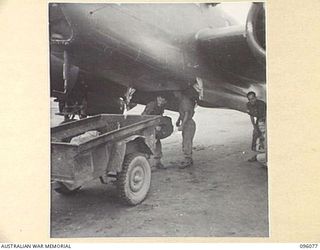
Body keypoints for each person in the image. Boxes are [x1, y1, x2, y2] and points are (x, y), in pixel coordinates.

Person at [142, 95, 167, 169]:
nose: (161, 102)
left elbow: (159, 116)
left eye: (163, 100)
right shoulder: (151, 105)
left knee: (157, 144)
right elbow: (145, 117)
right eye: (160, 99)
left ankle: (157, 162)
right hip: (147, 127)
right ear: (157, 98)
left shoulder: (161, 106)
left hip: (155, 127)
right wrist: (154, 126)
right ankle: (147, 166)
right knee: (149, 145)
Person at [174, 91, 196, 168]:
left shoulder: (185, 101)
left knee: (187, 142)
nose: (174, 94)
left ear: (180, 92)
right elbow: (182, 113)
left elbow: (186, 113)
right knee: (185, 141)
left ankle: (188, 160)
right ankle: (188, 159)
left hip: (188, 123)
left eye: (175, 92)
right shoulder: (182, 101)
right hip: (186, 122)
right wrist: (178, 120)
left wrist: (182, 125)